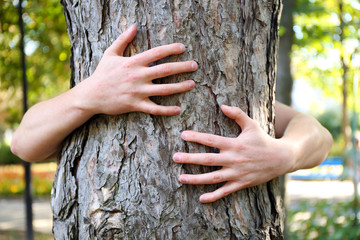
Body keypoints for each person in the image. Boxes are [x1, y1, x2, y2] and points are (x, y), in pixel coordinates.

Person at [10, 25, 333, 203]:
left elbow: (318, 135)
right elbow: (24, 143)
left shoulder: (229, 95)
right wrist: (88, 96)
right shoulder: (100, 87)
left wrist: (285, 154)